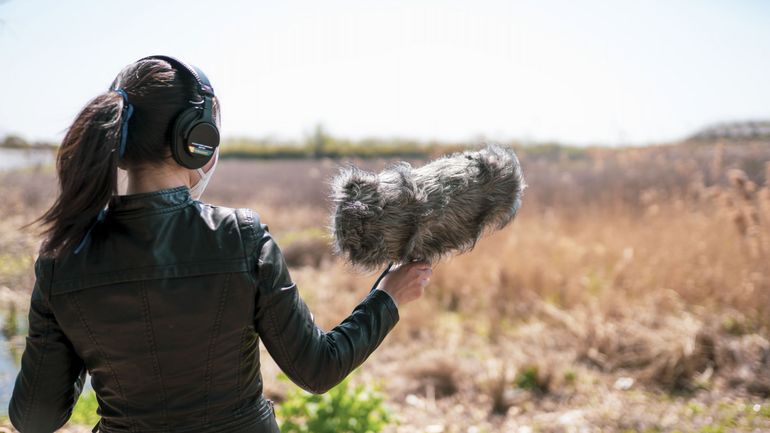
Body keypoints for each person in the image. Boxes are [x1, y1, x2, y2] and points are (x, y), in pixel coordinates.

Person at [8, 55, 432, 433]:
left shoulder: (62, 258)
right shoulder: (241, 237)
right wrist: (387, 297)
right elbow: (317, 369)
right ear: (198, 139)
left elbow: (34, 419)